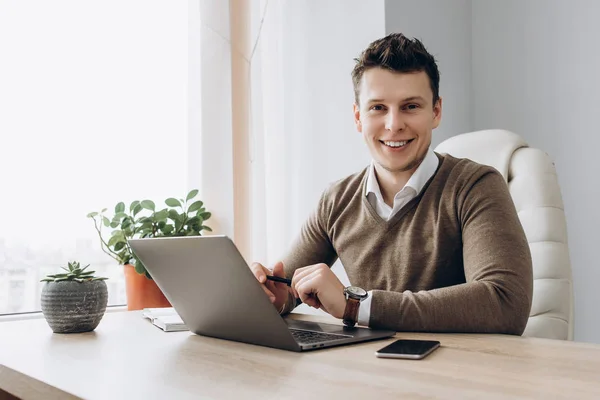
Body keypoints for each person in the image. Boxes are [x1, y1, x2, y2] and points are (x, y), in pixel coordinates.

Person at [250, 33, 533, 335]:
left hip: (455, 375)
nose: (394, 124)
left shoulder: (476, 186)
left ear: (436, 112)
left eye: (410, 106)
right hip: (373, 373)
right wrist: (273, 296)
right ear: (358, 117)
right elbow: (288, 285)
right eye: (378, 108)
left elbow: (505, 302)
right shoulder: (337, 199)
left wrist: (356, 306)